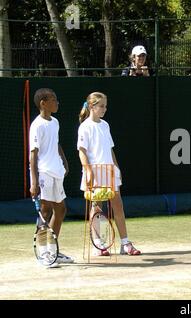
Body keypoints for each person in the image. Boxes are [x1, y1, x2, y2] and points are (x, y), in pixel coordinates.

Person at [77, 92, 141, 256]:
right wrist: (88, 171)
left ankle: (125, 243)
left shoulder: (105, 125)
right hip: (94, 172)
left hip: (109, 171)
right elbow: (82, 152)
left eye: (105, 106)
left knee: (118, 205)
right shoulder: (84, 127)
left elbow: (110, 149)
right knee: (97, 207)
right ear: (92, 106)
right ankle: (99, 244)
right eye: (101, 106)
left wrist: (116, 168)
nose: (104, 109)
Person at [29, 88, 74, 266]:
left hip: (57, 171)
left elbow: (56, 143)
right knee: (45, 211)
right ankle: (43, 254)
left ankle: (53, 250)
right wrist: (34, 181)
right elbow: (33, 154)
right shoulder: (37, 125)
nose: (57, 103)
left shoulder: (55, 122)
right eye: (53, 100)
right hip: (44, 172)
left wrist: (64, 160)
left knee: (61, 210)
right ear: (43, 103)